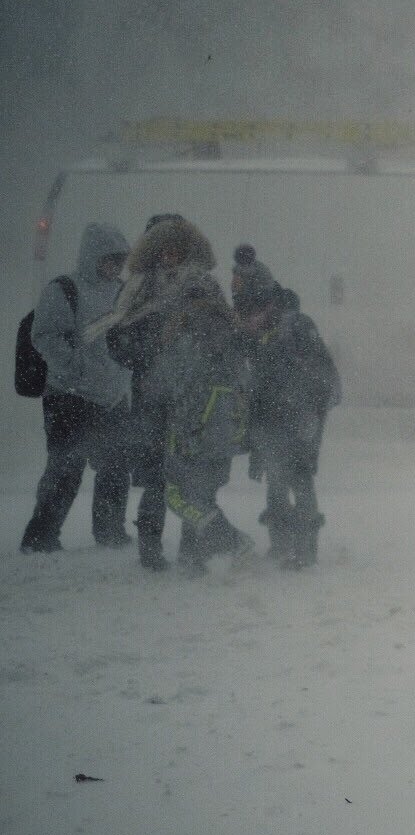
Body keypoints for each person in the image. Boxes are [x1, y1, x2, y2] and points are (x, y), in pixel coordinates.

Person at [102, 214, 216, 571]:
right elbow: (117, 343)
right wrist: (152, 346)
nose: (170, 255)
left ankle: (192, 550)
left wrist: (195, 343)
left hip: (195, 399)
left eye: (176, 248)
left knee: (191, 478)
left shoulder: (204, 286)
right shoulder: (136, 290)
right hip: (151, 398)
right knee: (155, 479)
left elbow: (222, 339)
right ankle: (150, 552)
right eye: (162, 248)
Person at [18, 223, 133, 553]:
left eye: (120, 261)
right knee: (65, 469)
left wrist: (123, 376)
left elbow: (132, 339)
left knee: (114, 469)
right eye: (110, 259)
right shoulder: (63, 289)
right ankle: (41, 537)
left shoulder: (124, 292)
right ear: (92, 257)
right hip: (69, 396)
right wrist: (75, 370)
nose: (115, 267)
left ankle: (110, 534)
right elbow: (44, 336)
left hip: (112, 397)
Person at [232, 245, 340, 570]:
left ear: (268, 305)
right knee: (277, 481)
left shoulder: (296, 327)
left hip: (301, 417)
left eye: (251, 313)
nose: (246, 322)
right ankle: (280, 545)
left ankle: (306, 550)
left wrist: (303, 411)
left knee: (299, 478)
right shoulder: (258, 335)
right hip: (273, 420)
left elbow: (322, 376)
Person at [144, 271, 254, 576]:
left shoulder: (187, 334)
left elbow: (160, 383)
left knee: (177, 496)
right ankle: (194, 557)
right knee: (202, 495)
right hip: (223, 433)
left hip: (192, 429)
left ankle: (232, 541)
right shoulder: (232, 333)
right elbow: (244, 381)